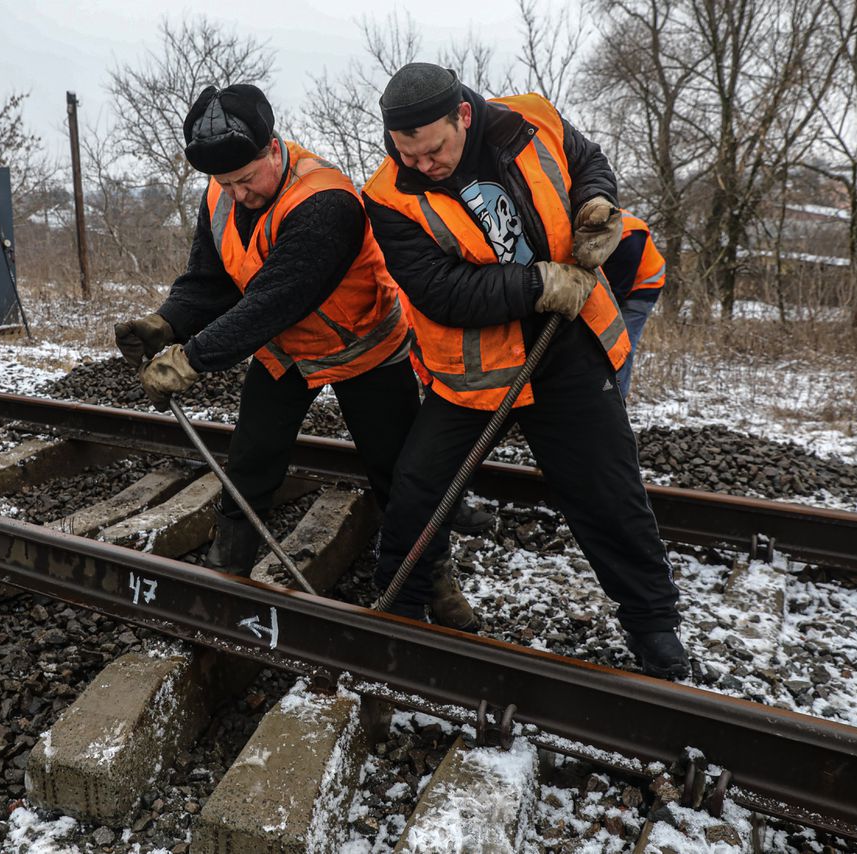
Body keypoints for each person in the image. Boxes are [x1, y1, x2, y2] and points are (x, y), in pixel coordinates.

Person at [360, 63, 687, 678]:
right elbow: (440, 291)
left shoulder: (531, 117)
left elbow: (587, 159)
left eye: (434, 151)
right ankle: (398, 612)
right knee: (419, 491)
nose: (423, 165)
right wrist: (538, 283)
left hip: (568, 347)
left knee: (607, 493)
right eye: (408, 154)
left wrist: (596, 202)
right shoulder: (387, 195)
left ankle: (652, 622)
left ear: (463, 114)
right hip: (474, 371)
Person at [115, 84, 486, 623]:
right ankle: (229, 569)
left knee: (398, 474)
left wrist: (190, 357)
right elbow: (208, 281)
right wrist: (164, 322)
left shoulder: (325, 200)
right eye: (224, 183)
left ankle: (433, 581)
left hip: (364, 347)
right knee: (252, 458)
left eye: (245, 179)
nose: (236, 193)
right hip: (285, 352)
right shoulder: (220, 196)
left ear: (272, 148)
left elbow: (275, 299)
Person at [601, 210, 665, 399]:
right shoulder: (592, 226)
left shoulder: (630, 237)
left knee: (622, 343)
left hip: (643, 288)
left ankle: (616, 399)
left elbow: (617, 291)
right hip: (619, 284)